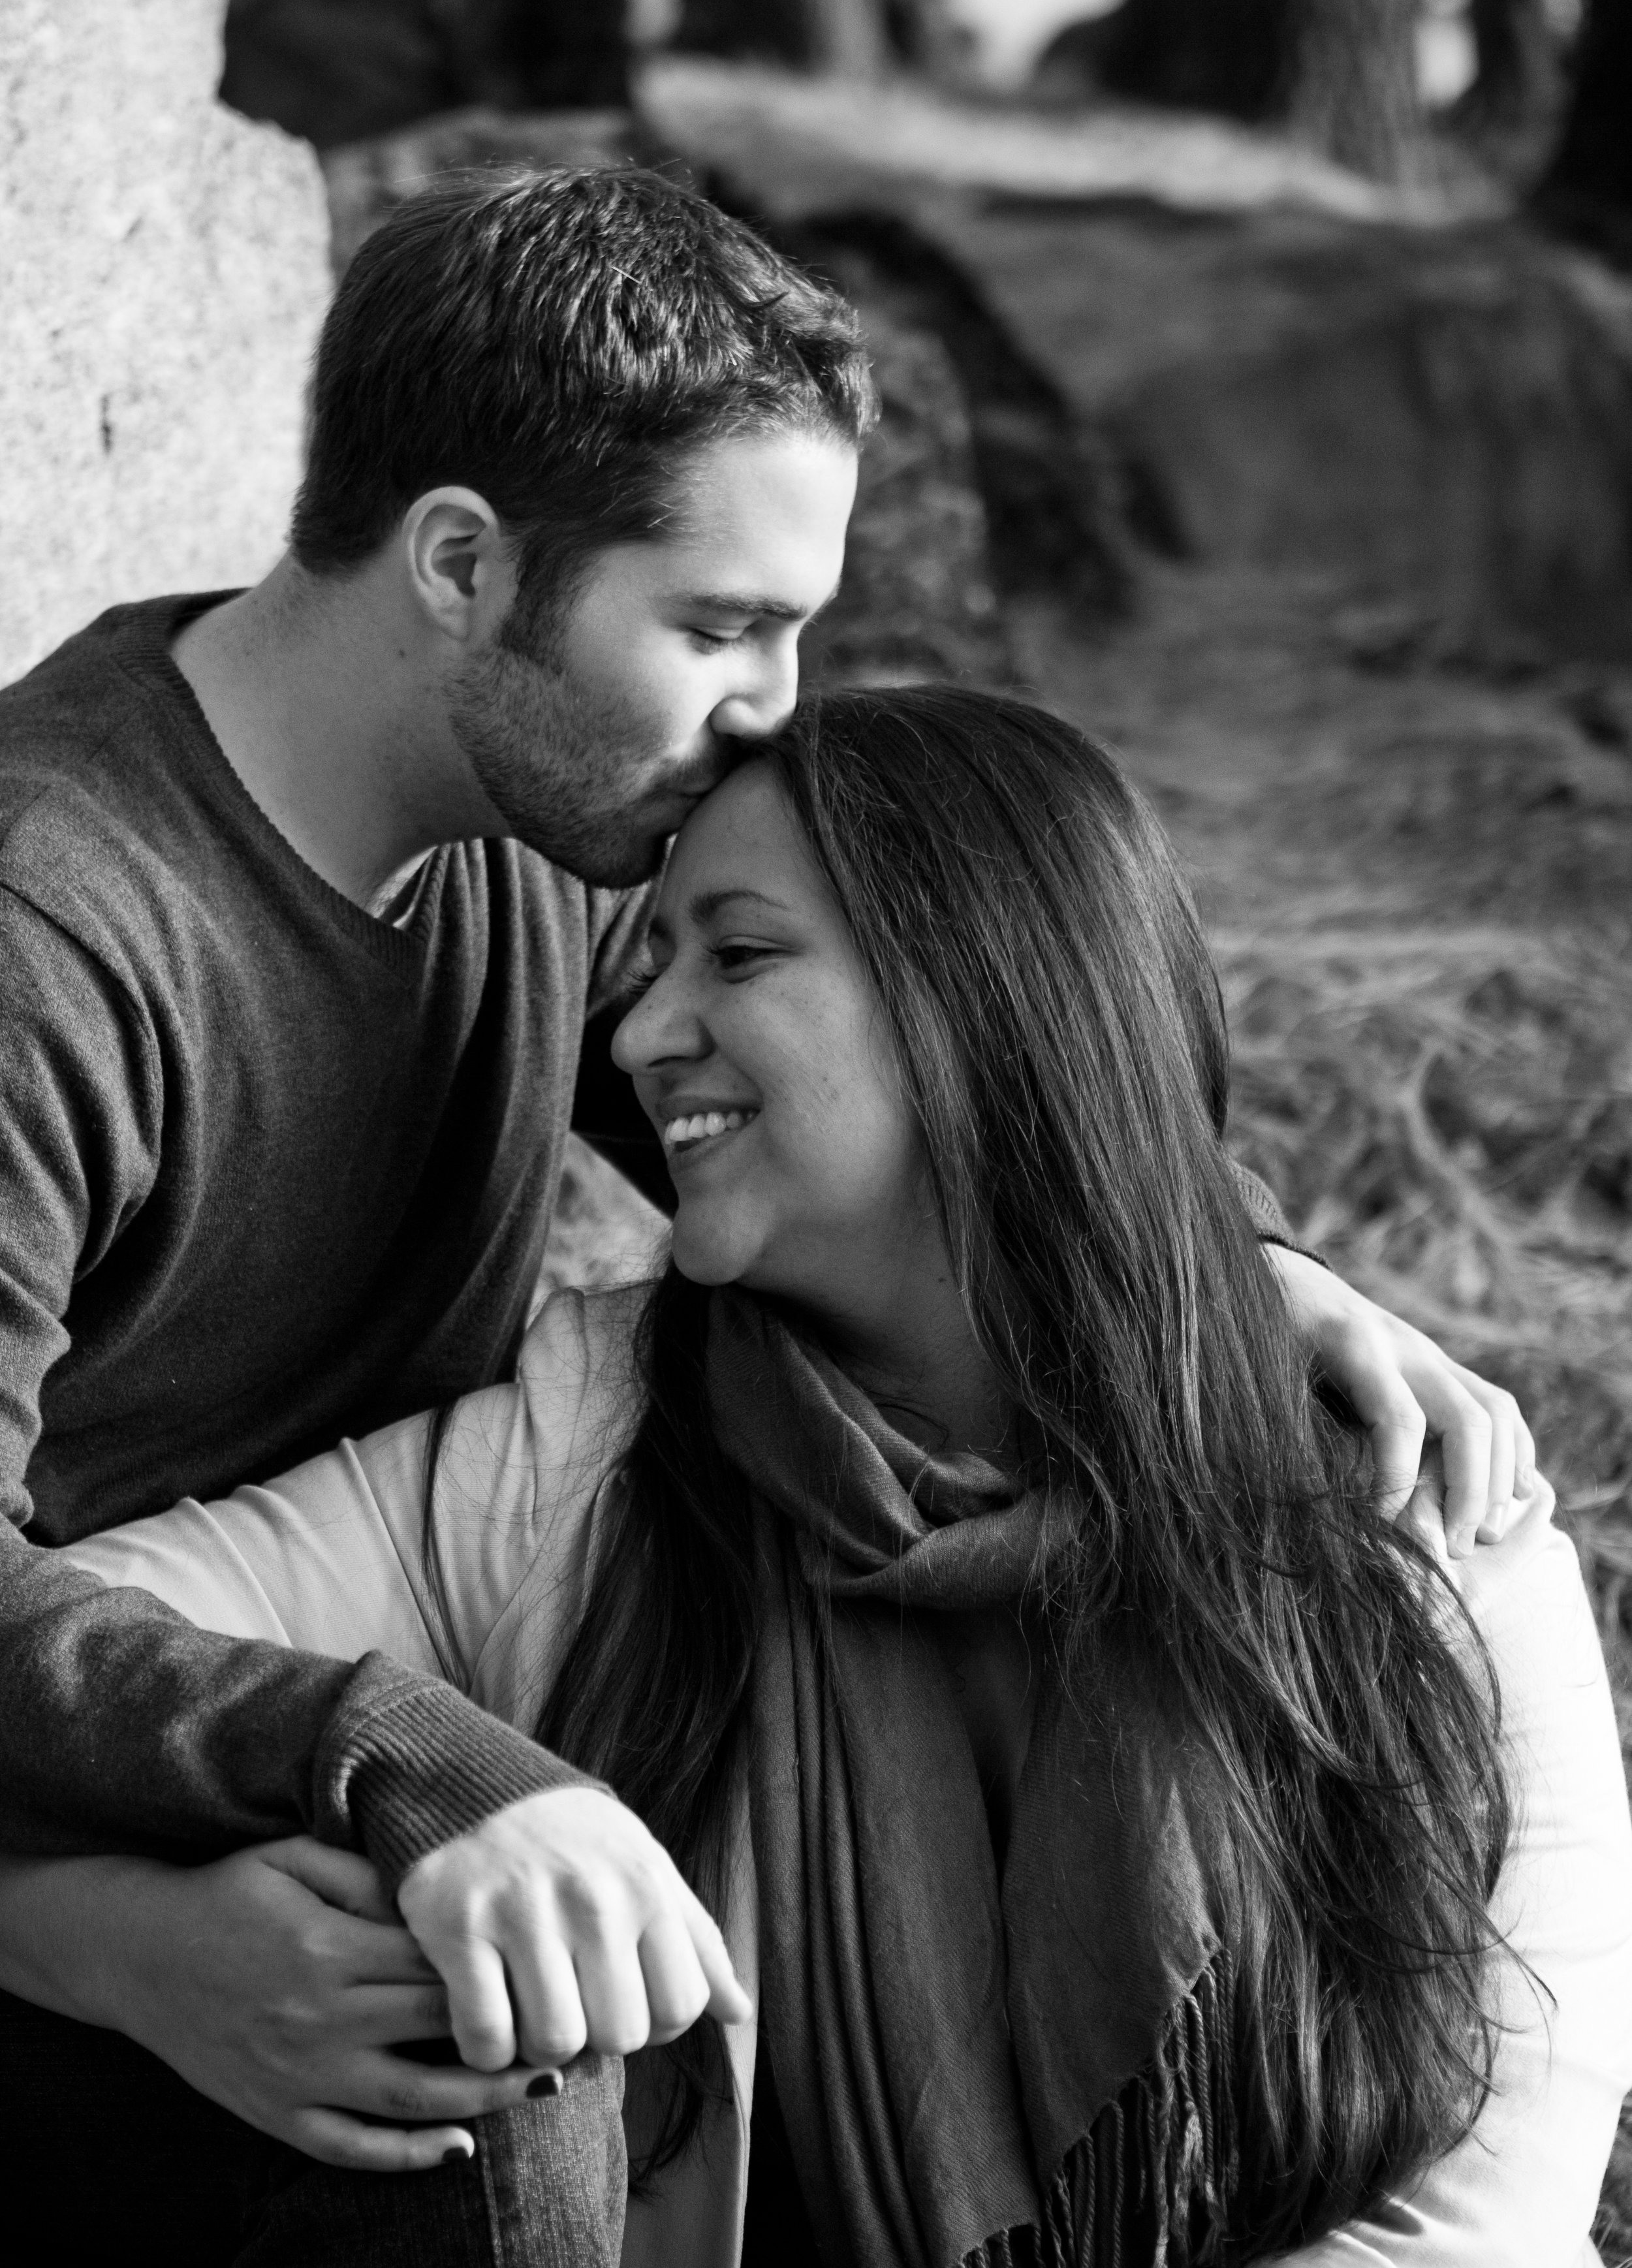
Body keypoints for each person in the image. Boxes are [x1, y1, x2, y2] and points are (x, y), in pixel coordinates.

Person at [0, 168, 1530, 2254]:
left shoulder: (541, 827)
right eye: (721, 624)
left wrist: (1229, 1259)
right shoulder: (52, 932)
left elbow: (865, 1112)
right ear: (461, 562)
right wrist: (200, 1865)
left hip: (385, 1775)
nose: (775, 703)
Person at [25, 688, 1631, 2267]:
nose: (641, 1035)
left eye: (736, 954)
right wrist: (225, 1873)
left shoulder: (1419, 1509)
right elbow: (76, 1633)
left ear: (977, 1002)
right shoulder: (585, 1449)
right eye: (648, 963)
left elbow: (1469, 2228)